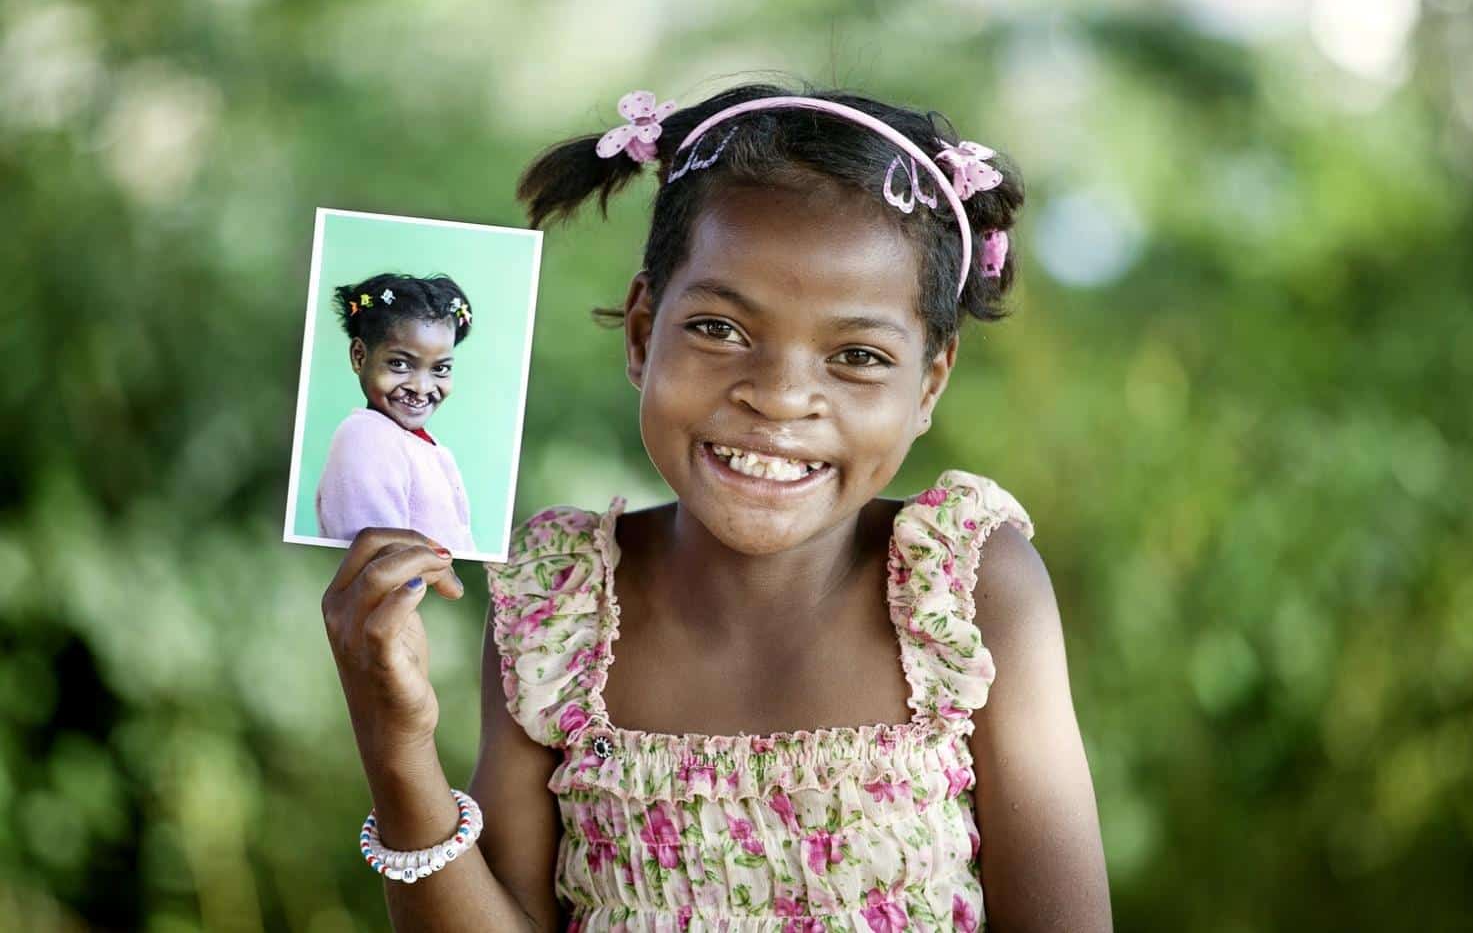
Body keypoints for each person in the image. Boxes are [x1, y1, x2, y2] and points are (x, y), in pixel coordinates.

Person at [321, 84, 1112, 931]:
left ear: (928, 385)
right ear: (641, 334)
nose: (778, 397)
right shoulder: (558, 610)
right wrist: (395, 744)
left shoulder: (965, 592)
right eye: (719, 330)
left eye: (856, 355)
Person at [315, 272, 476, 554]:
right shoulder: (365, 438)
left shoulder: (417, 443)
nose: (421, 388)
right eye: (400, 364)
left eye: (440, 369)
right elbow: (377, 557)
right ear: (359, 356)